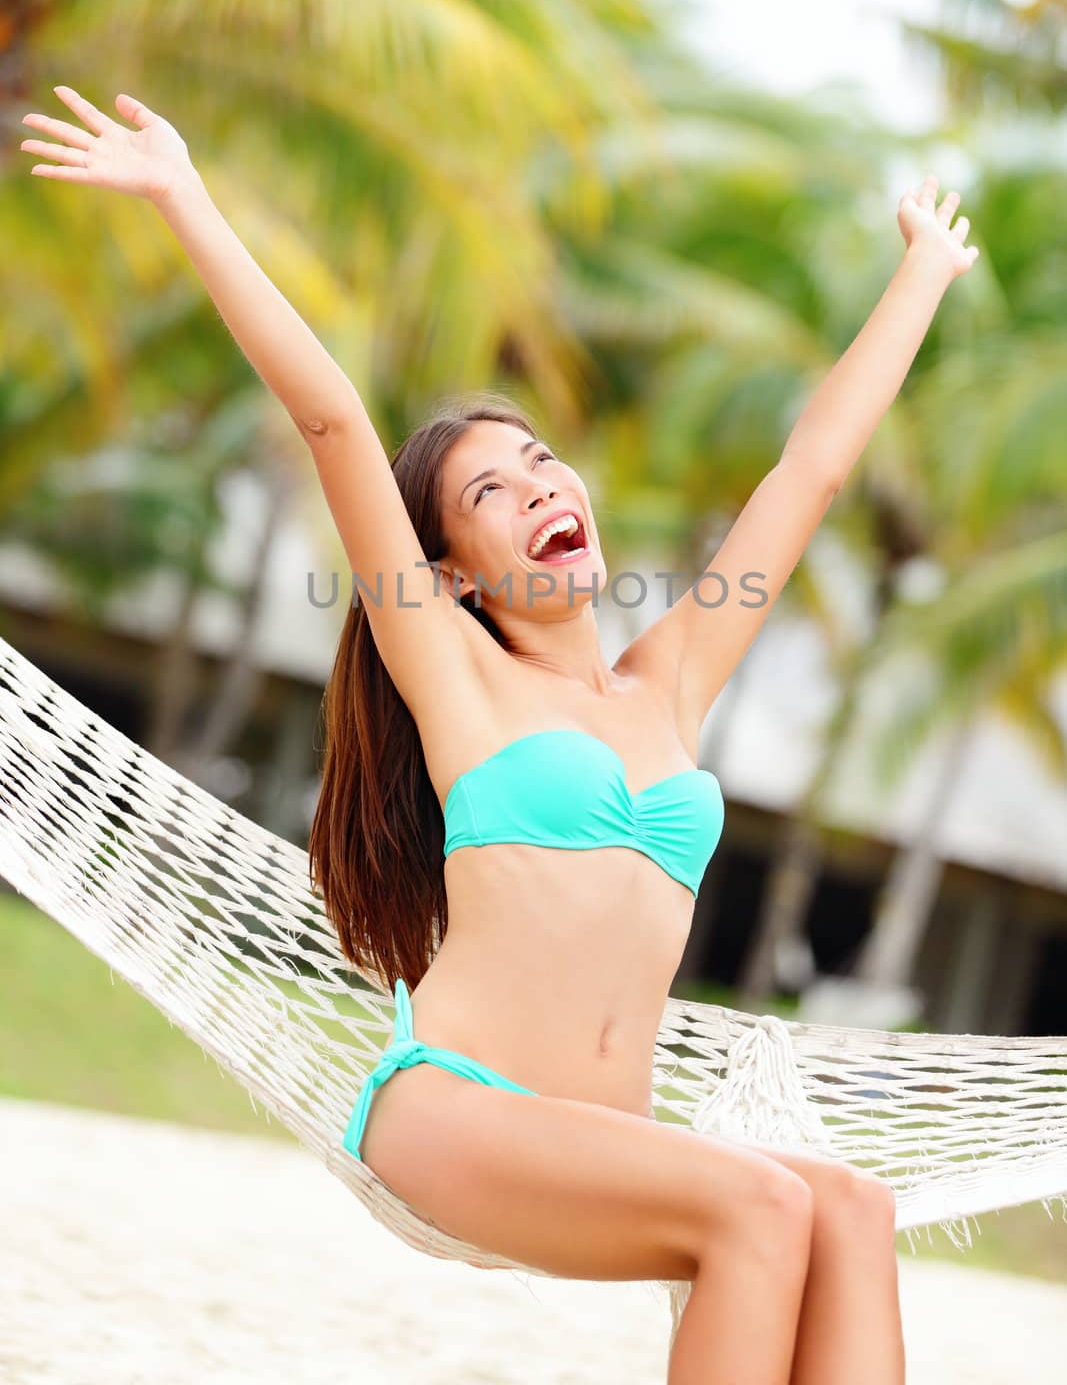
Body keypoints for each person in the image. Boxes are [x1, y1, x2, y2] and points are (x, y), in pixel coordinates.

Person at [20, 84, 978, 1382]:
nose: (537, 488)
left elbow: (807, 470)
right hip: (460, 1117)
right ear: (454, 569)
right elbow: (332, 423)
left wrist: (926, 269)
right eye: (488, 490)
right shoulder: (453, 672)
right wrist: (183, 196)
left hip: (610, 1147)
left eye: (541, 465)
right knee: (760, 1206)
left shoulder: (672, 682)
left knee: (849, 1207)